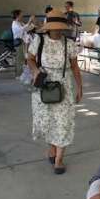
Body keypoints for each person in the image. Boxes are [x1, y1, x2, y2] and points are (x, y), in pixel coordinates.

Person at [27, 9, 83, 175]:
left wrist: (80, 87)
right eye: (54, 28)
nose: (57, 31)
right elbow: (30, 59)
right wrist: (35, 70)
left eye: (60, 28)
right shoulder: (38, 40)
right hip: (43, 86)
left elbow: (75, 67)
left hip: (64, 87)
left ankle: (59, 159)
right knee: (48, 121)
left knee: (63, 123)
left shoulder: (69, 43)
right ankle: (52, 148)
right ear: (49, 27)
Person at [11, 9, 36, 77]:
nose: (22, 16)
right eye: (21, 14)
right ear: (17, 15)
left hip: (23, 42)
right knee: (20, 58)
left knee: (23, 58)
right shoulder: (14, 23)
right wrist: (29, 21)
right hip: (19, 42)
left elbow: (28, 28)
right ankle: (18, 74)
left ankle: (22, 73)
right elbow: (22, 29)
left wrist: (32, 23)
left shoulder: (20, 23)